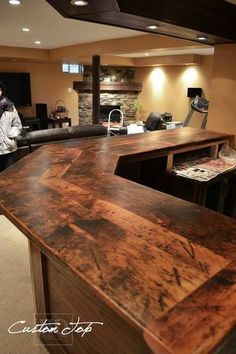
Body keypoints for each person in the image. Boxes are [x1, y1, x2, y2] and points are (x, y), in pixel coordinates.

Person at [0, 81, 22, 172]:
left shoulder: (10, 107)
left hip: (8, 149)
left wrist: (10, 136)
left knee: (10, 177)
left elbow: (17, 124)